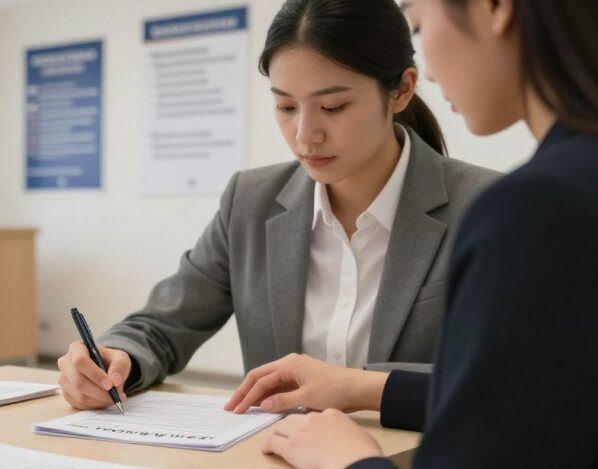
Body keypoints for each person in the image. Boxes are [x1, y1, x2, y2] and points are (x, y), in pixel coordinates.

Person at [234, 0, 598, 469]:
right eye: (285, 106)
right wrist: (366, 390)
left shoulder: (536, 207)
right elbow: (537, 399)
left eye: (418, 23)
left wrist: (349, 460)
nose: (428, 66)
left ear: (495, 9)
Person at [57, 0, 500, 415]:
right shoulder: (250, 201)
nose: (306, 135)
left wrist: (356, 386)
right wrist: (119, 359)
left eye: (333, 106)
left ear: (401, 90)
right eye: (286, 106)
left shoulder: (489, 206)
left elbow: (509, 379)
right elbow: (161, 325)